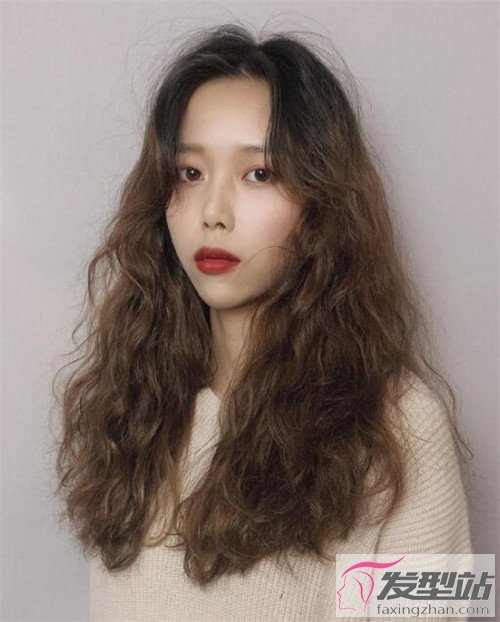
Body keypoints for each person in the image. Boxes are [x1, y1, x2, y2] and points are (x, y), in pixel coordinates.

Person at [52, 22, 473, 621]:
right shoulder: (132, 406)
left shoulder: (397, 426)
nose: (213, 213)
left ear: (321, 202)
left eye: (260, 174)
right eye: (189, 173)